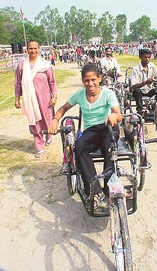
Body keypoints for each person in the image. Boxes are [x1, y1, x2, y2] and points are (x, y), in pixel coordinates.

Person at [48, 64, 122, 208]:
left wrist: (113, 116)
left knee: (109, 147)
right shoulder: (80, 95)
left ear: (100, 78)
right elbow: (63, 108)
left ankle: (109, 187)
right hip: (91, 131)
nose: (90, 84)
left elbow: (118, 114)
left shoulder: (108, 94)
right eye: (87, 81)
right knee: (79, 147)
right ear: (83, 81)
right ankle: (94, 192)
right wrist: (55, 120)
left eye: (93, 79)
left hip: (107, 127)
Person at [15, 40, 58, 158]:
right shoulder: (22, 66)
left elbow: (52, 82)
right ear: (26, 50)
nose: (33, 51)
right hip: (30, 100)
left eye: (35, 48)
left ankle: (48, 135)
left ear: (39, 49)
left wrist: (54, 96)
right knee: (34, 122)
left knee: (47, 120)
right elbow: (18, 83)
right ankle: (39, 146)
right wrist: (17, 98)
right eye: (30, 48)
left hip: (45, 99)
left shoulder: (45, 65)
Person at [131, 49, 157, 114]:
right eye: (145, 57)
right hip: (139, 91)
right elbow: (134, 86)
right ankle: (140, 111)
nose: (147, 59)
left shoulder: (152, 66)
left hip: (148, 90)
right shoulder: (136, 69)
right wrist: (145, 82)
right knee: (137, 91)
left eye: (149, 57)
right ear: (140, 57)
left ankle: (155, 109)